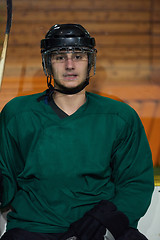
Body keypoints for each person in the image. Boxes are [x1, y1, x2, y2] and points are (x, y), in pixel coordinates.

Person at [0, 24, 154, 240]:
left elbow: (135, 183)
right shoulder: (18, 113)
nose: (70, 65)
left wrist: (107, 221)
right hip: (34, 228)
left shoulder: (120, 116)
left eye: (78, 56)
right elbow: (6, 179)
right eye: (60, 57)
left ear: (90, 61)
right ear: (48, 63)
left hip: (97, 225)